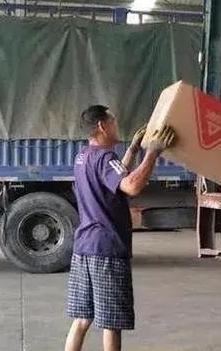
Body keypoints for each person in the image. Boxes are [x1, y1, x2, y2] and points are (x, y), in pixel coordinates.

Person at [64, 105, 176, 351]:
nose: (117, 124)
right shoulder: (106, 157)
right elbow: (131, 186)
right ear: (102, 126)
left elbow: (114, 178)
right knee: (111, 322)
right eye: (112, 120)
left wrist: (134, 148)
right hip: (107, 248)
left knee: (82, 319)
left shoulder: (83, 156)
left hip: (84, 247)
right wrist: (153, 153)